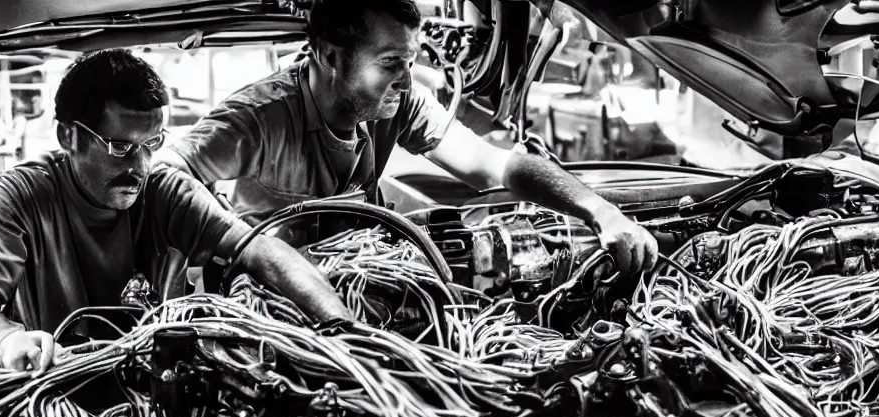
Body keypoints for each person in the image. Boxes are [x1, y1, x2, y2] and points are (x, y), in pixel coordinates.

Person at [152, 0, 659, 274]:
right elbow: (165, 171)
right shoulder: (258, 118)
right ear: (330, 57)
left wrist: (598, 209)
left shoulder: (398, 100)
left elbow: (496, 166)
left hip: (374, 279)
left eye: (411, 61)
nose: (405, 78)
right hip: (275, 300)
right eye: (391, 63)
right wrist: (244, 248)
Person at [0, 49, 354, 373]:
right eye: (120, 147)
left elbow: (258, 250)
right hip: (58, 384)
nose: (139, 167)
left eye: (152, 144)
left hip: (156, 381)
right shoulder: (19, 196)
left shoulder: (163, 191)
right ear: (69, 136)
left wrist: (344, 331)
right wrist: (8, 340)